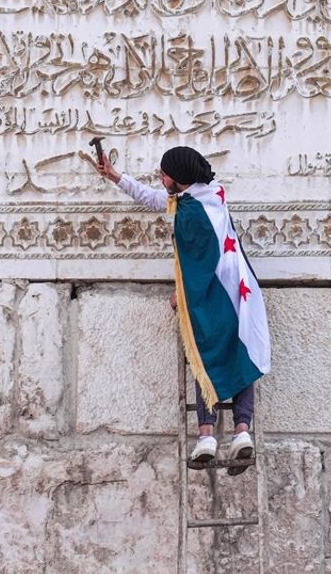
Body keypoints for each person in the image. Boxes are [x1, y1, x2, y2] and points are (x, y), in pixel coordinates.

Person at [96, 146, 271, 473]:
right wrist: (116, 177)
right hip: (239, 287)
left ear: (178, 179)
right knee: (239, 350)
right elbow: (155, 199)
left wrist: (181, 293)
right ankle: (242, 430)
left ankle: (207, 435)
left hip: (211, 292)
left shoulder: (191, 215)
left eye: (165, 175)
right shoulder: (212, 194)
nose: (161, 180)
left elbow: (198, 263)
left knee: (203, 355)